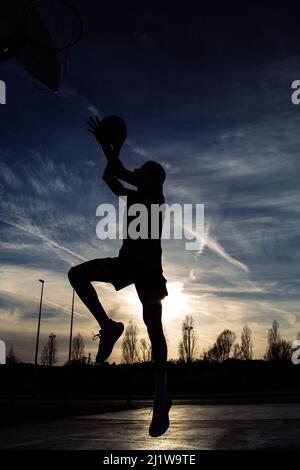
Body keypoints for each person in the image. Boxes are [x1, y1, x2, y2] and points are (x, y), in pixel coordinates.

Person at [68, 116, 172, 437]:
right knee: (77, 275)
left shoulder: (155, 195)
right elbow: (110, 176)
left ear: (152, 177)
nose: (137, 172)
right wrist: (107, 147)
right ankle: (109, 326)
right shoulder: (135, 196)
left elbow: (122, 171)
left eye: (142, 171)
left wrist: (116, 145)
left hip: (149, 269)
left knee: (154, 329)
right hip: (127, 263)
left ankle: (161, 395)